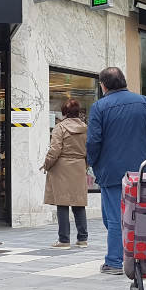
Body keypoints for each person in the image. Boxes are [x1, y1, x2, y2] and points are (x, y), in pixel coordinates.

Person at [87, 67, 146, 275]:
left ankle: (114, 262)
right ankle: (140, 255)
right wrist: (143, 151)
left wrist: (92, 162)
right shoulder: (144, 102)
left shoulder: (99, 107)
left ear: (103, 85)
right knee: (140, 214)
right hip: (140, 170)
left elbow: (93, 141)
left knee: (113, 218)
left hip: (111, 172)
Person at [42, 99, 89, 248]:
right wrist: (85, 165)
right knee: (79, 203)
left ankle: (64, 240)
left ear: (64, 112)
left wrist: (46, 164)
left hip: (62, 167)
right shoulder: (86, 128)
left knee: (62, 203)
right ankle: (82, 239)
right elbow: (91, 149)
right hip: (79, 165)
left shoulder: (59, 128)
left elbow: (55, 150)